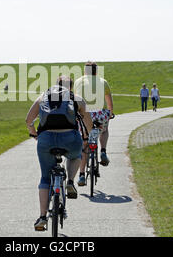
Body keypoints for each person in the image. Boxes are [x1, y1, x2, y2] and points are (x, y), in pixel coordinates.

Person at [26, 75, 93, 231]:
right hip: (70, 138)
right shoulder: (76, 98)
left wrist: (34, 133)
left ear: (55, 85)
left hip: (46, 139)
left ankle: (42, 217)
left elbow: (28, 120)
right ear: (70, 87)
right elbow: (88, 122)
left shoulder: (44, 96)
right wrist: (87, 137)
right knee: (76, 155)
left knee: (45, 177)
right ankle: (70, 181)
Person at [74, 61, 114, 187]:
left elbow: (76, 100)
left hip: (84, 115)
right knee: (105, 129)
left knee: (84, 143)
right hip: (99, 115)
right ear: (96, 71)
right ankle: (103, 150)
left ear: (85, 71)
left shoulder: (78, 81)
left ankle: (81, 175)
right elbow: (109, 103)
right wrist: (110, 113)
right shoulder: (103, 82)